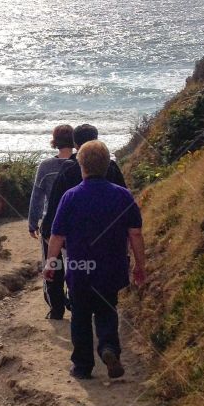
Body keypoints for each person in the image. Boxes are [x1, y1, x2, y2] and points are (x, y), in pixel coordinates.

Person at [43, 139, 146, 380]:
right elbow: (135, 233)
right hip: (112, 266)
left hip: (80, 268)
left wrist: (51, 263)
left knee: (80, 314)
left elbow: (57, 235)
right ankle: (109, 347)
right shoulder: (122, 195)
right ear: (107, 166)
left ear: (82, 166)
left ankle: (82, 365)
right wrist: (140, 265)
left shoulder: (70, 196)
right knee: (107, 308)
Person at [28, 123, 75, 319]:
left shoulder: (46, 166)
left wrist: (32, 222)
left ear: (55, 141)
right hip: (76, 225)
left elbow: (37, 197)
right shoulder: (81, 164)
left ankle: (56, 309)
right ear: (74, 141)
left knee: (52, 264)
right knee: (76, 265)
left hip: (52, 224)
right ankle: (74, 300)